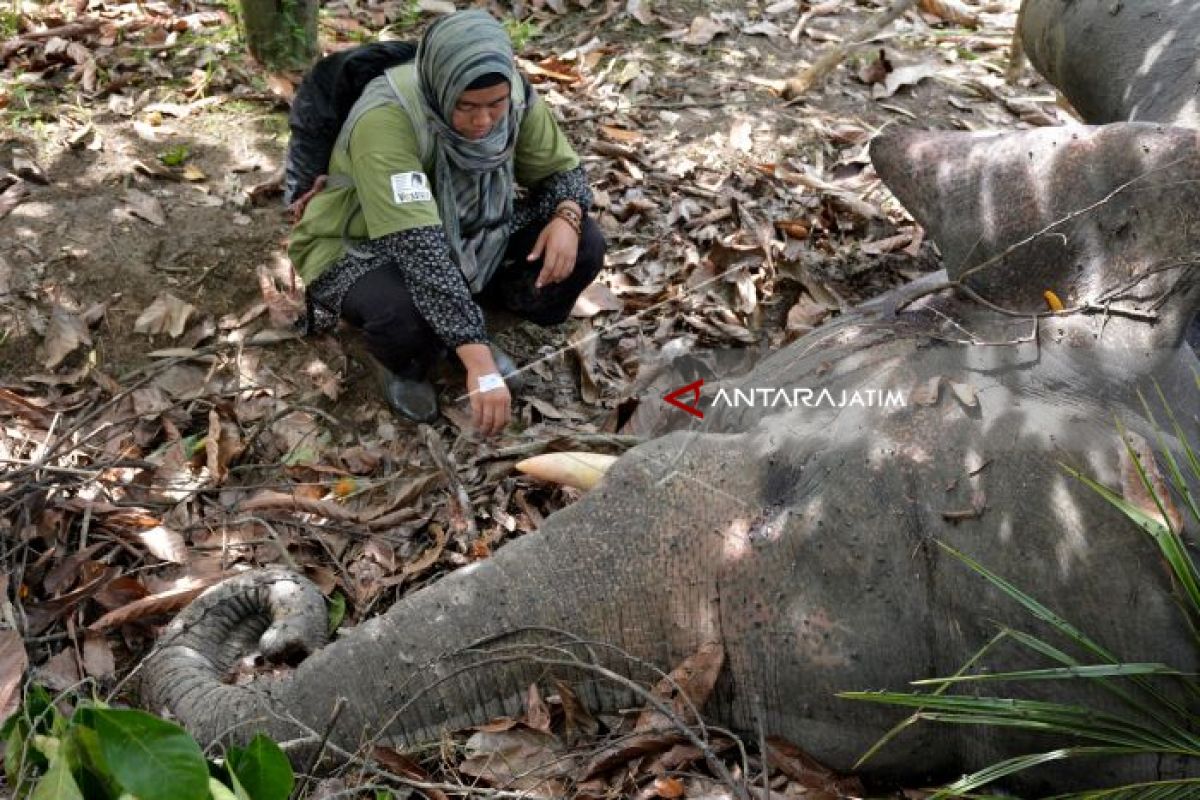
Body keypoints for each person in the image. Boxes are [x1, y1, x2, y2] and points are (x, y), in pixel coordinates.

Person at [288, 9, 605, 437]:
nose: (483, 121)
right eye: (466, 106)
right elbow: (420, 250)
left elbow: (562, 173)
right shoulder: (385, 120)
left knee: (584, 243)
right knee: (402, 316)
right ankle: (402, 362)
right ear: (438, 88)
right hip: (363, 241)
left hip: (473, 229)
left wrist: (567, 216)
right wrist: (480, 365)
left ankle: (469, 324)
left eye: (495, 105)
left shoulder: (515, 95)